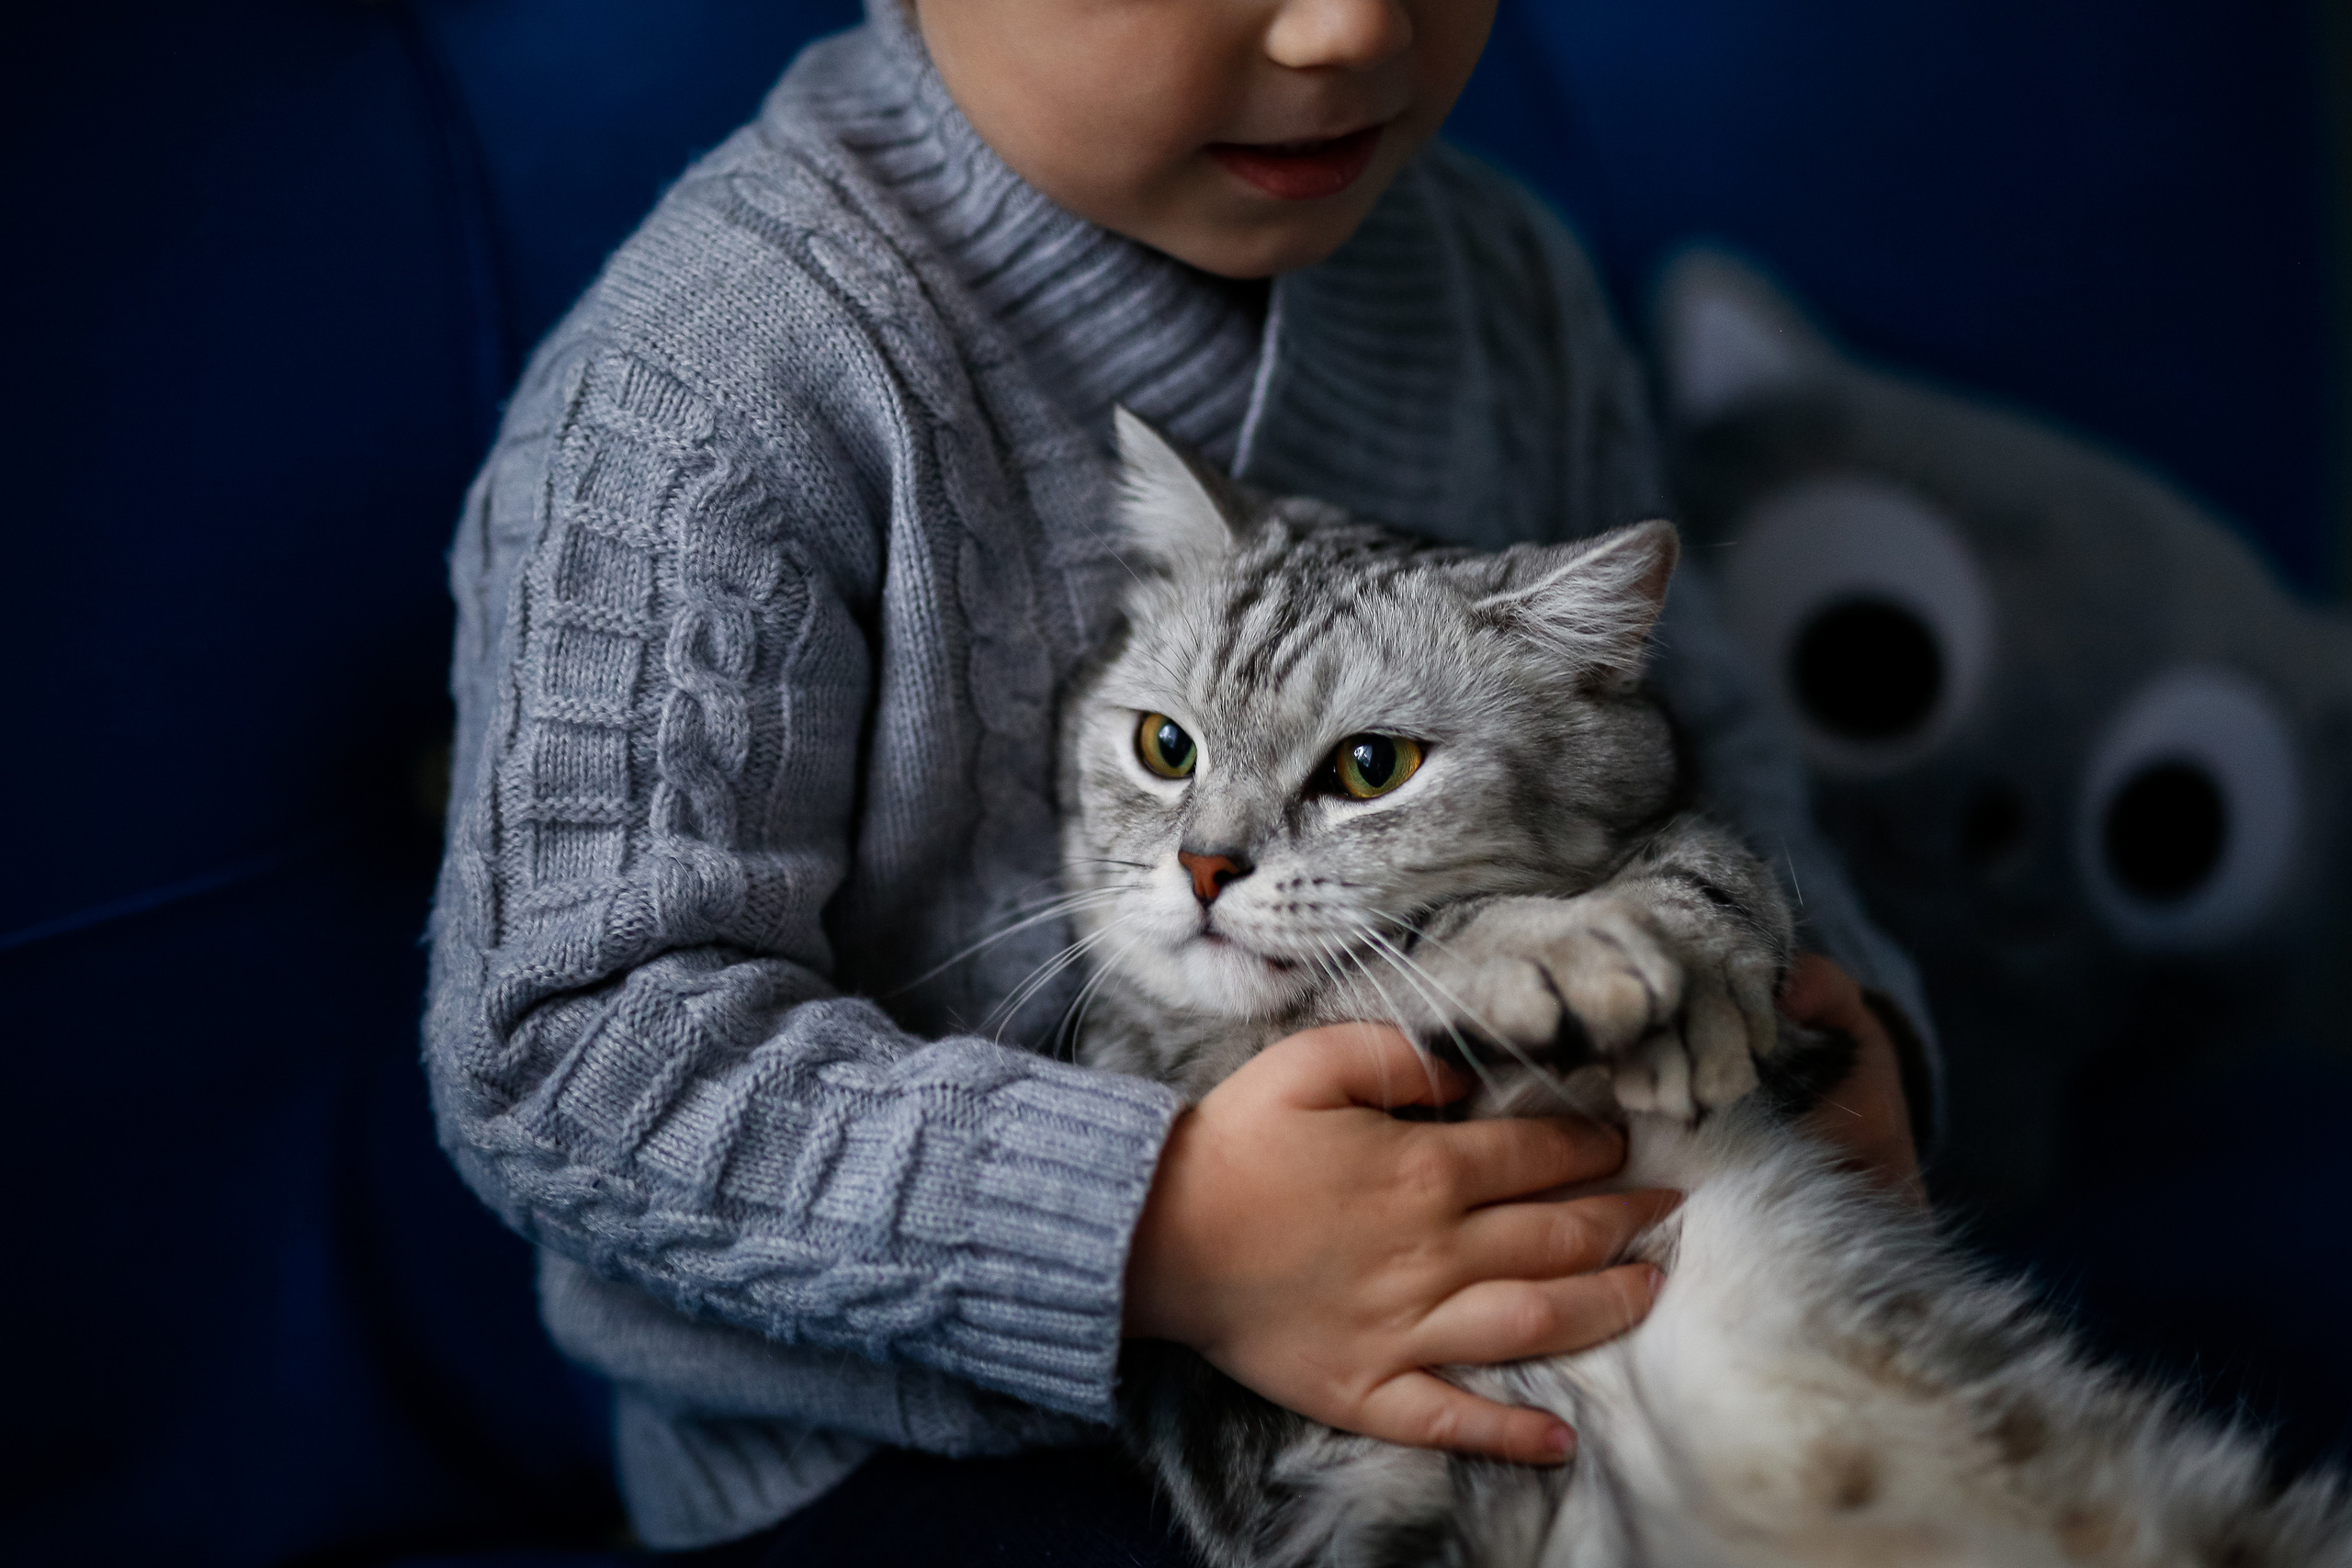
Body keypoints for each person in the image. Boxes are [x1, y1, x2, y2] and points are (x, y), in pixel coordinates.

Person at [424, 0, 1935, 1558]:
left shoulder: (1508, 281)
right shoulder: (713, 381)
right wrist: (1170, 1234)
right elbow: (564, 1057)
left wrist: (1847, 1013)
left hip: (1535, 1286)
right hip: (909, 1440)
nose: (1351, 29)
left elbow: (1705, 734)